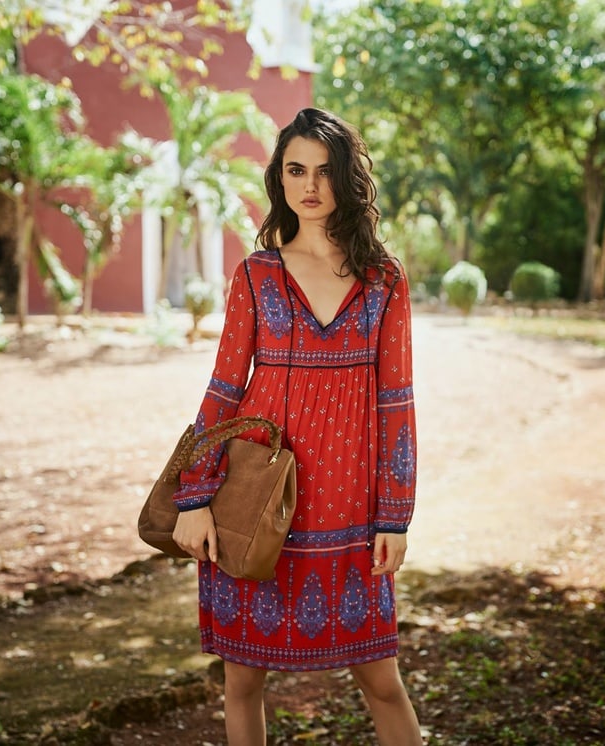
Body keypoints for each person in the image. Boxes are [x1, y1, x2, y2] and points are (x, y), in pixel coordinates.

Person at [171, 107, 423, 746]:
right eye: (295, 170)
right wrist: (194, 497)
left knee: (382, 680)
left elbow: (396, 402)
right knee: (243, 682)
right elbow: (224, 389)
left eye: (324, 171)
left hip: (349, 509)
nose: (309, 185)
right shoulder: (257, 275)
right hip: (254, 499)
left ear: (346, 181)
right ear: (279, 180)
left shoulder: (384, 280)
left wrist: (395, 513)